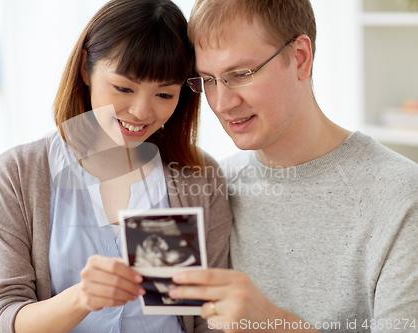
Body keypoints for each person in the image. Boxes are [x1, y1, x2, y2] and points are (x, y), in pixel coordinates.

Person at [0, 0, 232, 332]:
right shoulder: (18, 174)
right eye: (124, 88)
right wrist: (82, 298)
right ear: (86, 68)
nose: (141, 111)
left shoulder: (200, 177)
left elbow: (209, 319)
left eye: (164, 95)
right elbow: (1, 318)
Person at [168, 0, 418, 332]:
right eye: (208, 80)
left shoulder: (400, 196)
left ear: (300, 57)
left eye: (240, 74)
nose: (221, 103)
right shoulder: (214, 187)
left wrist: (276, 324)